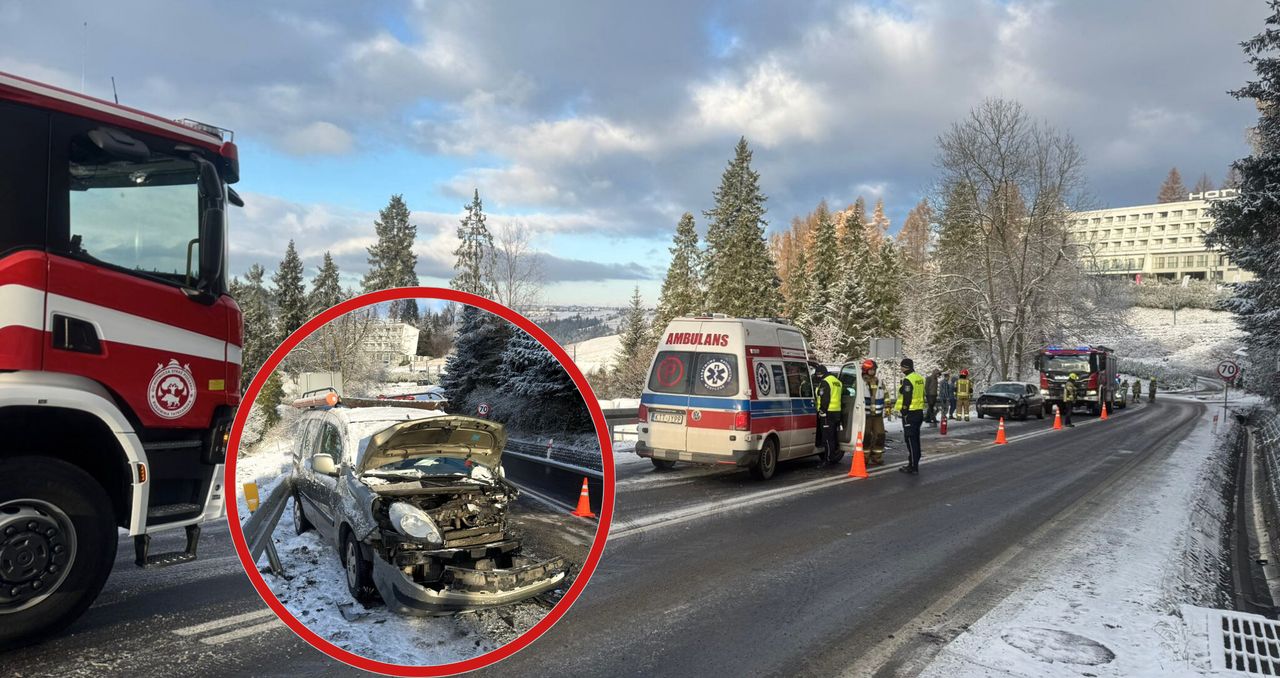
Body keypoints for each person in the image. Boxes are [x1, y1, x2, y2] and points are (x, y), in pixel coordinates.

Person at [896, 358, 926, 474]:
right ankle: (914, 462)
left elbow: (907, 397)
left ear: (905, 367)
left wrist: (904, 411)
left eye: (901, 366)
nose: (901, 369)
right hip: (918, 412)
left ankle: (913, 466)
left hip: (910, 413)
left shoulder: (908, 380)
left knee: (910, 439)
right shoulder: (919, 378)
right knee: (915, 439)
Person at [813, 364, 843, 465]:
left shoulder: (825, 382)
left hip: (827, 413)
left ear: (820, 374)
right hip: (836, 412)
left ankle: (828, 459)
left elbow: (825, 398)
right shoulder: (837, 382)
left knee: (827, 437)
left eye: (817, 375)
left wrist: (822, 411)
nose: (817, 377)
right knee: (833, 436)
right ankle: (832, 456)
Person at [862, 359, 887, 465]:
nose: (873, 371)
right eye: (871, 369)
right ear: (865, 370)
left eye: (874, 369)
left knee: (880, 435)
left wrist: (888, 406)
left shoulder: (879, 381)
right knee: (866, 436)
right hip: (865, 415)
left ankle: (877, 456)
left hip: (877, 414)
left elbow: (886, 394)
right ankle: (864, 457)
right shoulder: (861, 382)